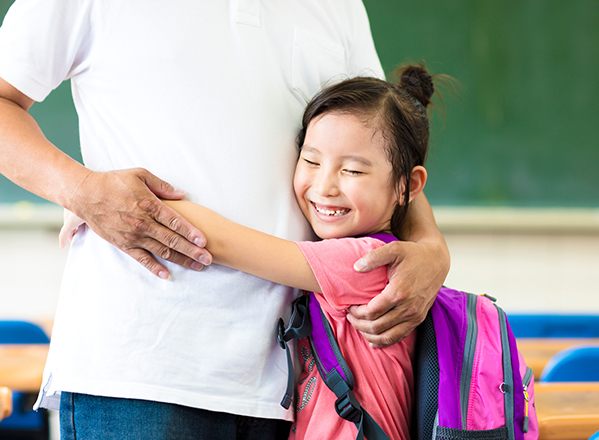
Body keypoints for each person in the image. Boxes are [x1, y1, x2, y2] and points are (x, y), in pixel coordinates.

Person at [0, 1, 449, 438]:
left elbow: (384, 150)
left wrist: (432, 247)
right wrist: (79, 189)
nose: (328, 183)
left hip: (292, 385)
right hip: (141, 375)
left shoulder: (339, 6)